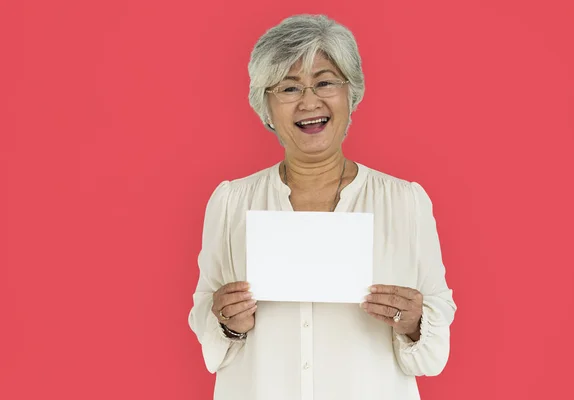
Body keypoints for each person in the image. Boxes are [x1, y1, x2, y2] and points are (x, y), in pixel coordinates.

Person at [188, 14, 457, 400]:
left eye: (325, 82)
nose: (309, 101)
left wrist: (414, 321)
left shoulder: (405, 202)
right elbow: (205, 317)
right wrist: (226, 321)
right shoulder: (231, 202)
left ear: (351, 93)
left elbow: (435, 336)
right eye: (289, 88)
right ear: (265, 105)